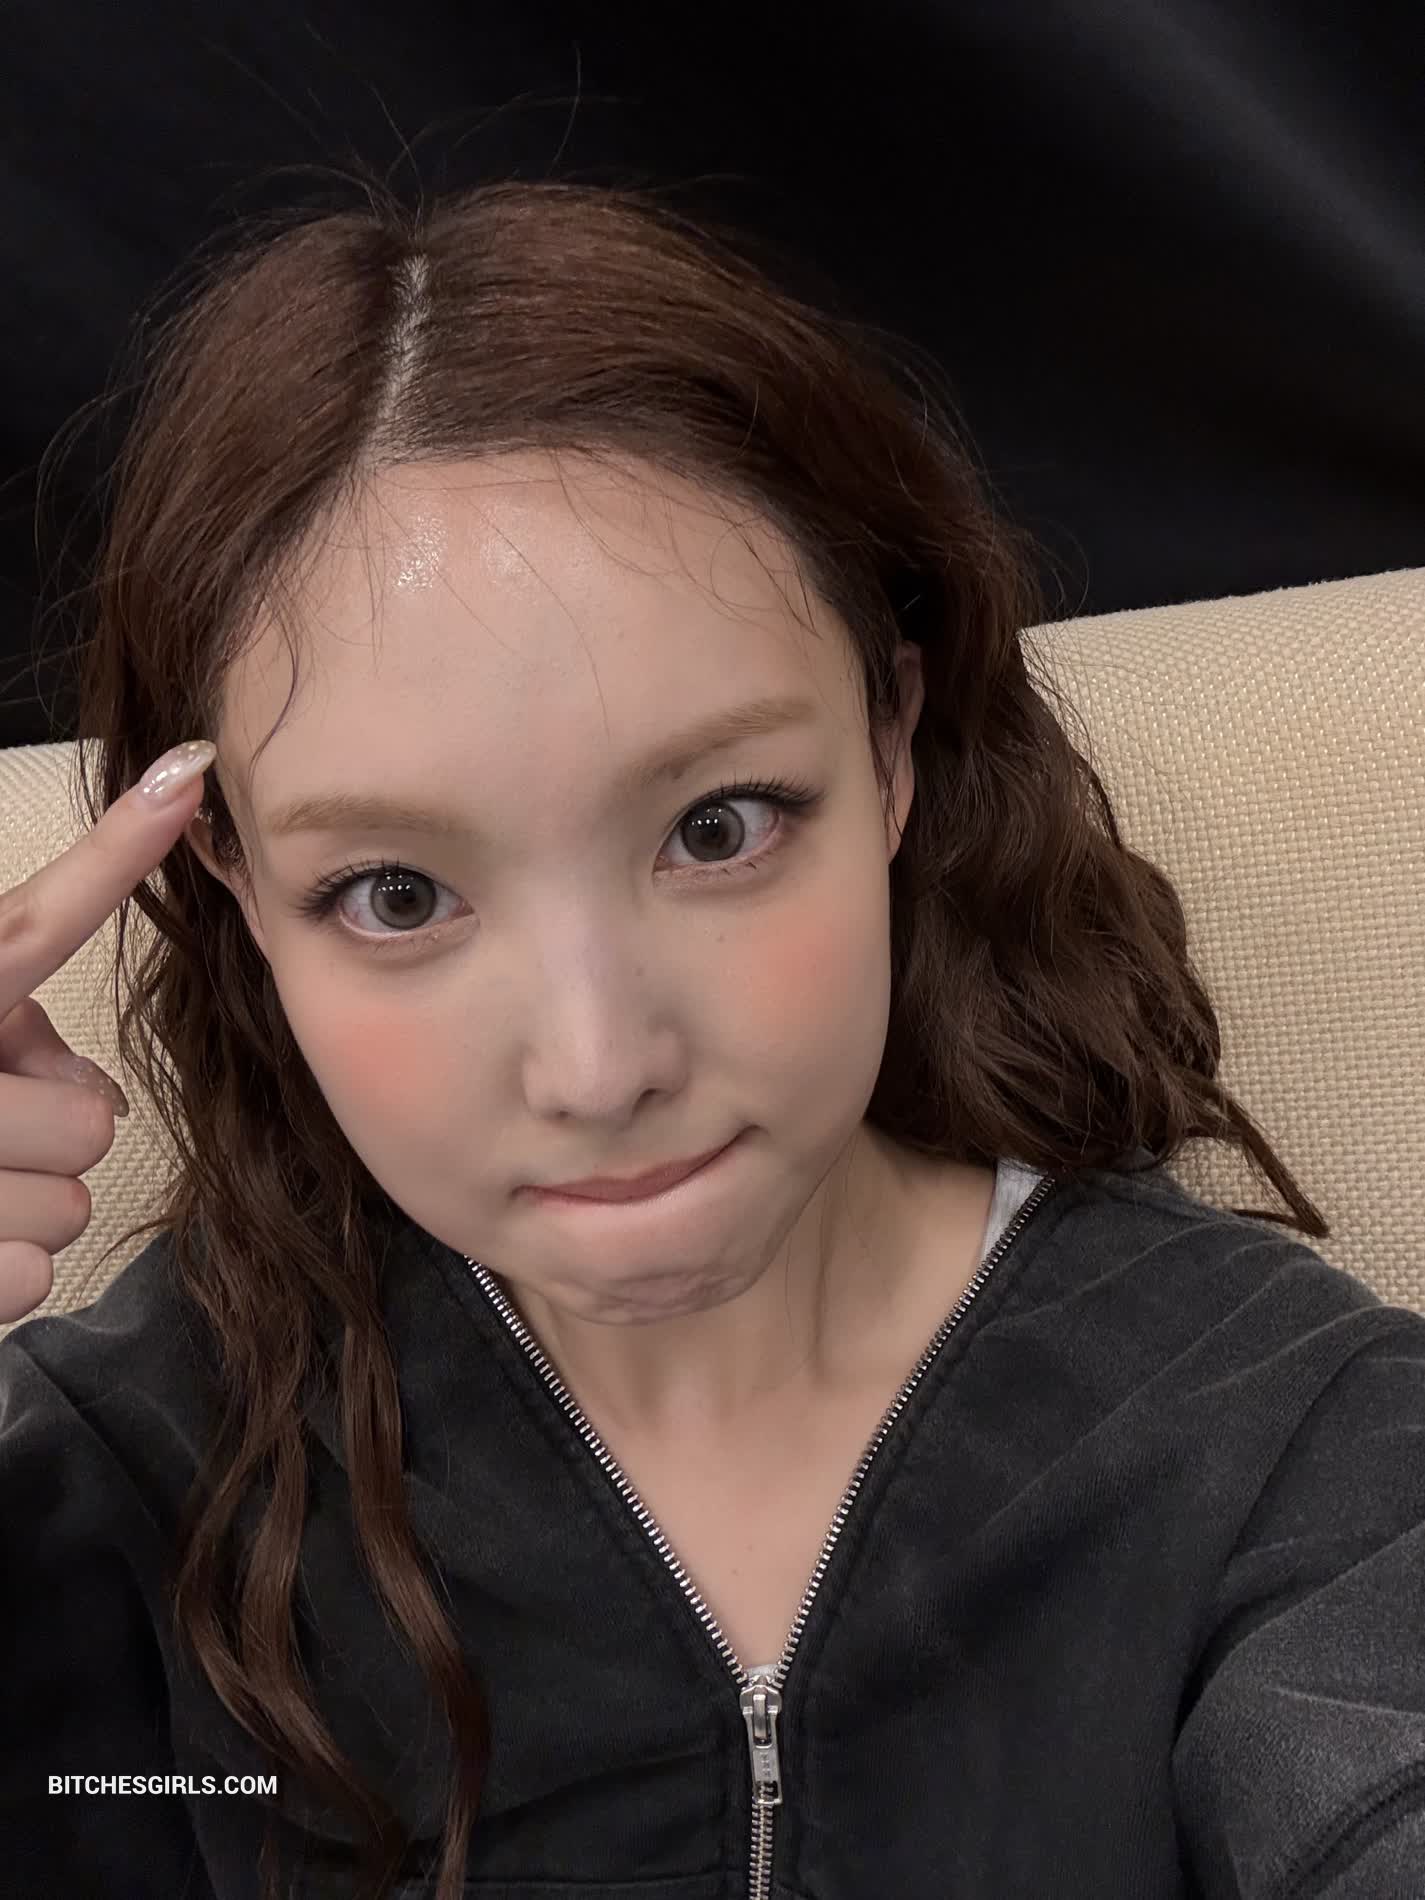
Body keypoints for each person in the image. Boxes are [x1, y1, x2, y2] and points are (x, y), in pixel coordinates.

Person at [2, 173, 1423, 1900]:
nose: (600, 1068)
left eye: (717, 826)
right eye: (395, 893)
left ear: (888, 747)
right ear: (230, 877)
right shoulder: (111, 1500)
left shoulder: (1290, 1446)